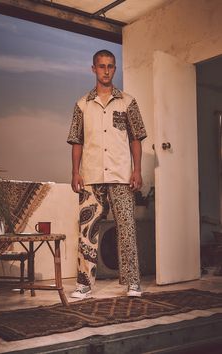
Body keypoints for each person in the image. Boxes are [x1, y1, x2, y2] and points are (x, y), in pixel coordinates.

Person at [67, 49, 147, 299]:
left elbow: (136, 138)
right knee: (87, 231)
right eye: (101, 66)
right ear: (93, 69)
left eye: (110, 66)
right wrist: (75, 172)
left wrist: (137, 170)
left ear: (115, 69)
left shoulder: (128, 101)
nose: (106, 70)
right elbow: (76, 141)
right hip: (90, 177)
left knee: (127, 229)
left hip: (121, 176)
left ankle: (133, 283)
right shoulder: (82, 104)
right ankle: (84, 285)